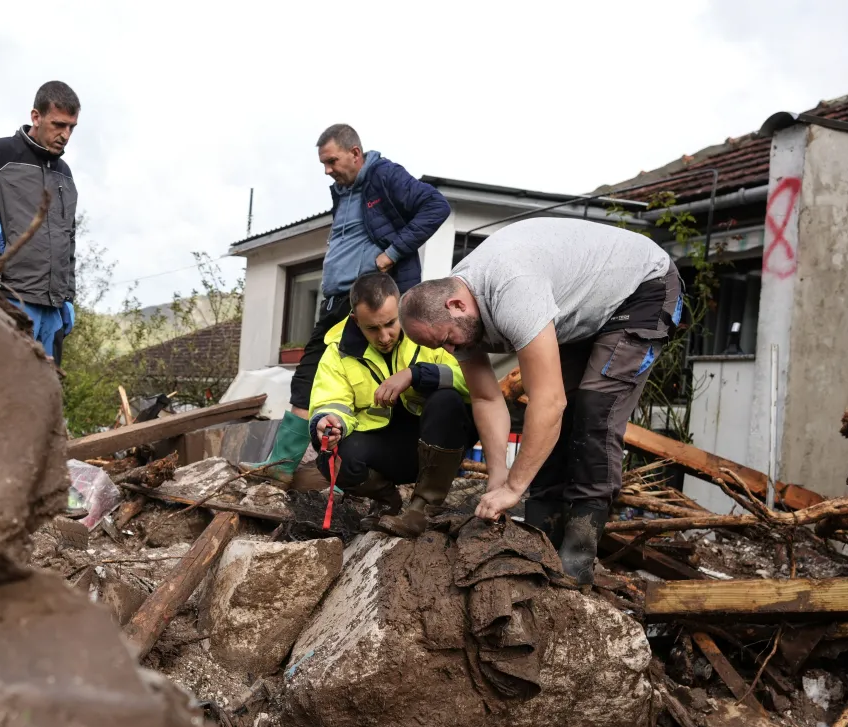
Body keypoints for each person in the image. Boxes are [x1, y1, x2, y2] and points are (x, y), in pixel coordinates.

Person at [398, 217, 683, 584]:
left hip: (643, 288)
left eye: (448, 339)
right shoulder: (455, 316)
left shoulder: (513, 291)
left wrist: (515, 489)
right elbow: (486, 397)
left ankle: (579, 552)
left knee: (594, 408)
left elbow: (550, 404)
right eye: (440, 347)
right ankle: (543, 533)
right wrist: (498, 478)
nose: (450, 350)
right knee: (549, 419)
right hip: (584, 309)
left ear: (456, 304)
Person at [244, 124, 450, 482]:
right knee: (308, 374)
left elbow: (436, 206)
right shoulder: (343, 191)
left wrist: (391, 254)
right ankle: (280, 469)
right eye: (323, 163)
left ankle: (350, 477)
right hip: (338, 301)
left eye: (332, 161)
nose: (327, 170)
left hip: (371, 304)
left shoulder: (384, 175)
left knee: (362, 379)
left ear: (355, 153)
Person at [308, 272, 471, 536]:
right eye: (372, 328)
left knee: (447, 399)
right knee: (331, 458)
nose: (384, 337)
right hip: (387, 446)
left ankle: (421, 510)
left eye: (391, 324)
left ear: (402, 308)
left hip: (442, 439)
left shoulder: (432, 326)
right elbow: (331, 401)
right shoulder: (336, 352)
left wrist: (417, 375)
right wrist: (329, 421)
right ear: (355, 321)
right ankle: (387, 502)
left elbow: (474, 383)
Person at [0, 80, 80, 363]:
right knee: (9, 392)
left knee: (46, 397)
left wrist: (68, 297)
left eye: (71, 127)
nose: (65, 135)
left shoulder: (65, 174)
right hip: (11, 300)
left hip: (54, 310)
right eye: (58, 125)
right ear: (36, 116)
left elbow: (68, 238)